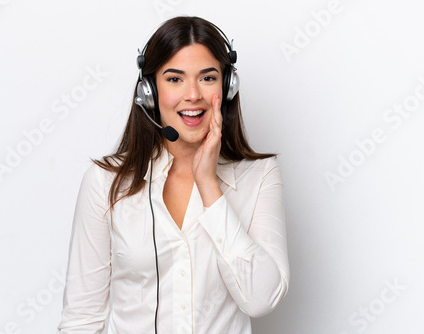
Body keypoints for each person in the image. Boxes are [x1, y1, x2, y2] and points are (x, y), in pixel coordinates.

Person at [57, 16, 289, 334]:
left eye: (207, 78)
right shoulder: (105, 183)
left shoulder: (260, 176)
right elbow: (81, 319)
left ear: (228, 86)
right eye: (174, 79)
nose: (192, 94)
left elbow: (260, 300)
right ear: (149, 92)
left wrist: (209, 185)